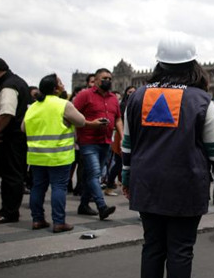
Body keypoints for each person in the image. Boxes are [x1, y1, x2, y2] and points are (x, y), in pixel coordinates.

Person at [122, 34, 214, 278]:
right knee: (180, 249)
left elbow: (128, 144)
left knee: (153, 248)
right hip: (185, 183)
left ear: (160, 63)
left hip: (147, 183)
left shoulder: (138, 96)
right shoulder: (199, 99)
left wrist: (127, 177)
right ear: (192, 64)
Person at [23, 74, 91, 233]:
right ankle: (59, 222)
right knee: (58, 187)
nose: (63, 85)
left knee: (37, 187)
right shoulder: (63, 105)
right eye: (60, 83)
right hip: (59, 155)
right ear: (55, 88)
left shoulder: (33, 106)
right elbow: (81, 121)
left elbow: (23, 128)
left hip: (37, 155)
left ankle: (37, 220)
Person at [0, 57, 30, 225]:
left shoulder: (8, 86)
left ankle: (9, 212)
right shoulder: (17, 82)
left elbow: (7, 113)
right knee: (13, 174)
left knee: (11, 176)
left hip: (11, 137)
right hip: (18, 137)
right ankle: (7, 209)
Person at [73, 68, 119, 221]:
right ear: (97, 79)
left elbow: (117, 118)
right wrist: (90, 124)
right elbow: (71, 115)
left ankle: (83, 205)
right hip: (88, 141)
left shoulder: (113, 98)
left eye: (110, 78)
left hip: (105, 141)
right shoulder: (85, 95)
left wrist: (123, 135)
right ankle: (102, 207)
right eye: (105, 78)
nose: (108, 81)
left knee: (89, 175)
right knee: (95, 173)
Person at [105, 85, 136, 196]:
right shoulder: (123, 106)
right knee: (119, 163)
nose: (132, 94)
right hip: (122, 136)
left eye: (134, 92)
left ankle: (121, 183)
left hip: (129, 137)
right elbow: (120, 122)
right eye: (129, 92)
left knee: (124, 163)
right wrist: (122, 138)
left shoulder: (134, 104)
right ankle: (109, 185)